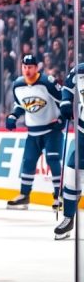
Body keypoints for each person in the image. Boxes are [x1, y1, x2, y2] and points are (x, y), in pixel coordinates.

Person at [5, 54, 64, 210]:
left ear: (37, 67)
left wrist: (62, 119)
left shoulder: (47, 82)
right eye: (24, 67)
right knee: (28, 161)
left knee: (53, 160)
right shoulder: (17, 84)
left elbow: (63, 100)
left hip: (52, 130)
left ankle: (59, 196)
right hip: (33, 131)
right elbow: (20, 104)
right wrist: (13, 116)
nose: (27, 70)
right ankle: (24, 195)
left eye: (30, 67)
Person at [55, 63, 83, 239]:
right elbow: (68, 86)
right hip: (83, 131)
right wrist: (65, 102)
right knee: (72, 175)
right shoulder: (79, 70)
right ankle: (68, 218)